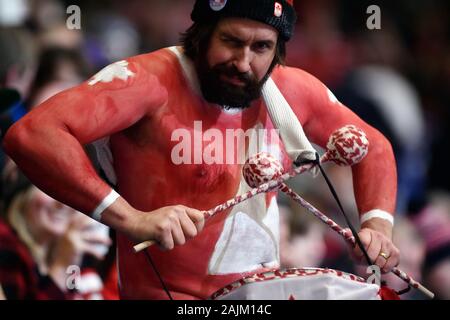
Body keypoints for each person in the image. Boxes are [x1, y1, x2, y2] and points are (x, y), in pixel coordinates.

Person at [4, 0, 399, 299]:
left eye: (261, 47)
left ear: (278, 50)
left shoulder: (293, 91)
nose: (243, 62)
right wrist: (131, 218)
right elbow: (32, 134)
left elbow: (374, 147)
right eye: (231, 41)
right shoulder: (148, 80)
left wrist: (377, 227)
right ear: (203, 33)